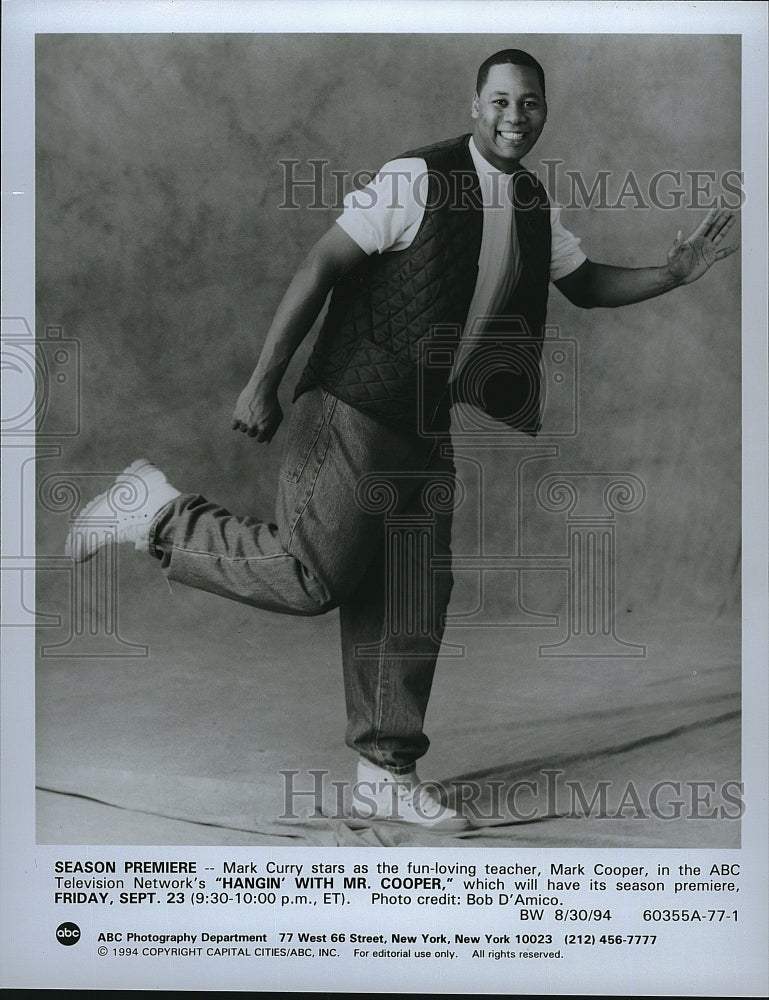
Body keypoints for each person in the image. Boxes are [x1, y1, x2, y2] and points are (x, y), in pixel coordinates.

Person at [65, 49, 737, 832]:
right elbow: (322, 262)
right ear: (473, 103)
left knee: (411, 595)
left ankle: (387, 772)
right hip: (354, 402)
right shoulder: (415, 177)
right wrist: (264, 378)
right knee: (311, 576)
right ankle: (155, 513)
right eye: (499, 101)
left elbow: (583, 283)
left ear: (544, 112)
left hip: (425, 422)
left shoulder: (528, 202)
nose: (513, 117)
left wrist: (672, 271)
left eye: (529, 104)